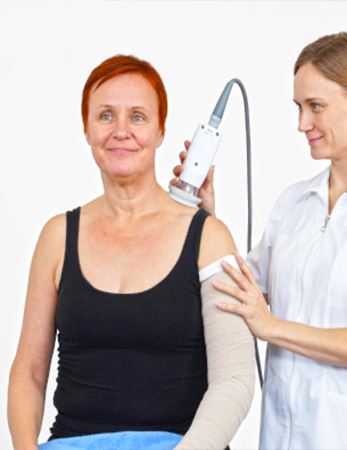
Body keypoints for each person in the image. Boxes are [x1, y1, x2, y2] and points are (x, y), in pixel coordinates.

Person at [173, 32, 347, 449]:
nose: (302, 124)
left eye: (316, 106)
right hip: (284, 436)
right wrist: (208, 217)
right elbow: (239, 288)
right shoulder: (296, 203)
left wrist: (273, 327)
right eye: (299, 107)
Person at [8, 54, 255, 450]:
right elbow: (29, 373)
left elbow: (235, 380)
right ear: (86, 129)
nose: (121, 131)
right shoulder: (57, 237)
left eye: (137, 117)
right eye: (105, 116)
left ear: (161, 131)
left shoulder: (208, 236)